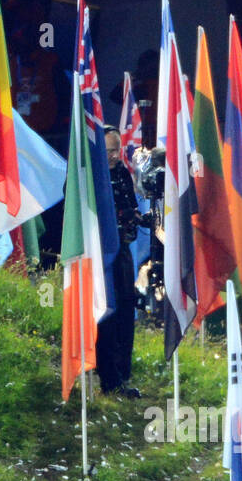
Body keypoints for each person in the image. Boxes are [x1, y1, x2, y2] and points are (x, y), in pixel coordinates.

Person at [96, 128, 144, 397]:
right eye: (108, 151)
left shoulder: (123, 173)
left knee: (127, 309)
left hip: (124, 250)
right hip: (101, 254)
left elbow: (130, 206)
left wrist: (139, 218)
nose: (113, 156)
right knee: (108, 315)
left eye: (116, 150)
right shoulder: (91, 176)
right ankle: (109, 379)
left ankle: (123, 375)